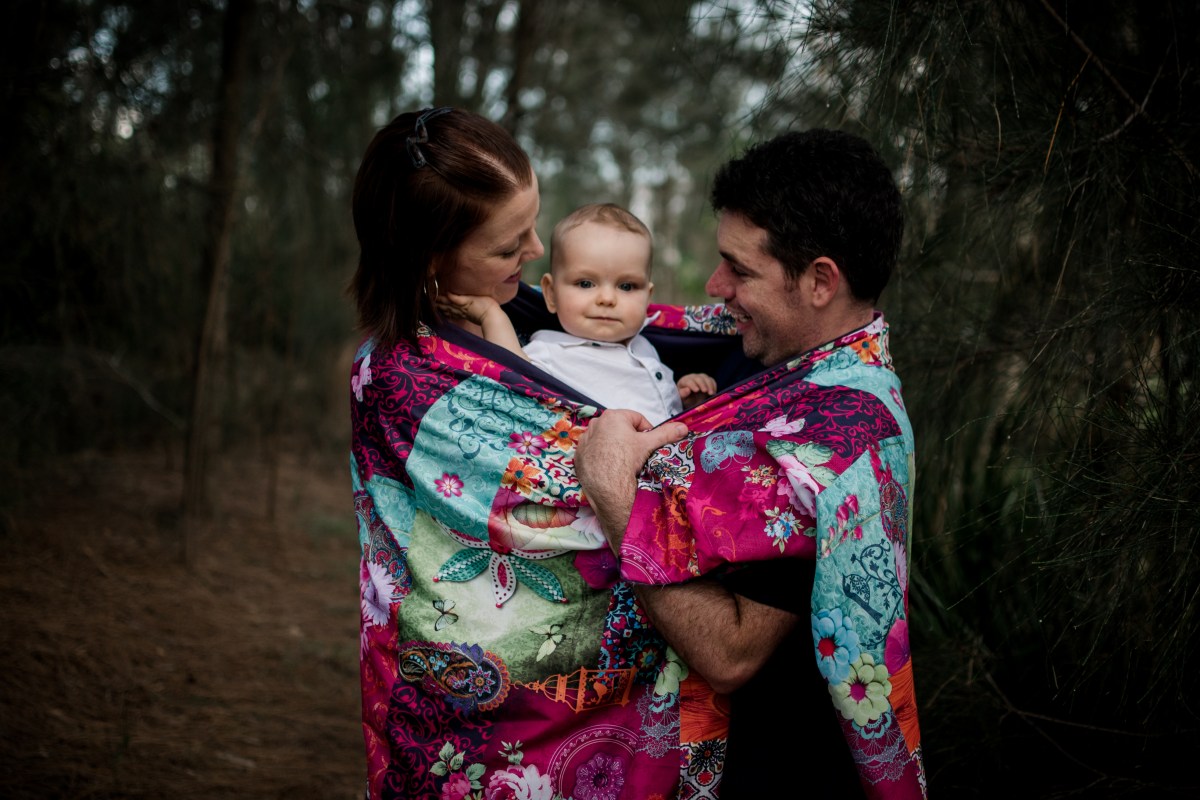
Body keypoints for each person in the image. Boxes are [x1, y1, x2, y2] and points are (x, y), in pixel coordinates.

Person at [347, 107, 731, 800]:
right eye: (507, 247)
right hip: (472, 706)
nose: (533, 250)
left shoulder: (553, 319)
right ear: (433, 258)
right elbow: (540, 460)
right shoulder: (401, 376)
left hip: (599, 694)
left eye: (532, 224)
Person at [575, 129, 927, 798]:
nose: (717, 287)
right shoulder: (775, 361)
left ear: (820, 281)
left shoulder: (843, 441)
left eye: (738, 269)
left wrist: (612, 488)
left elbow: (730, 653)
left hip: (772, 775)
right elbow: (643, 322)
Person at [437, 202, 716, 425]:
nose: (607, 299)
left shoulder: (647, 347)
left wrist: (684, 397)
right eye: (585, 283)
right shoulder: (551, 351)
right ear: (550, 294)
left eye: (627, 286)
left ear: (648, 298)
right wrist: (491, 315)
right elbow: (512, 372)